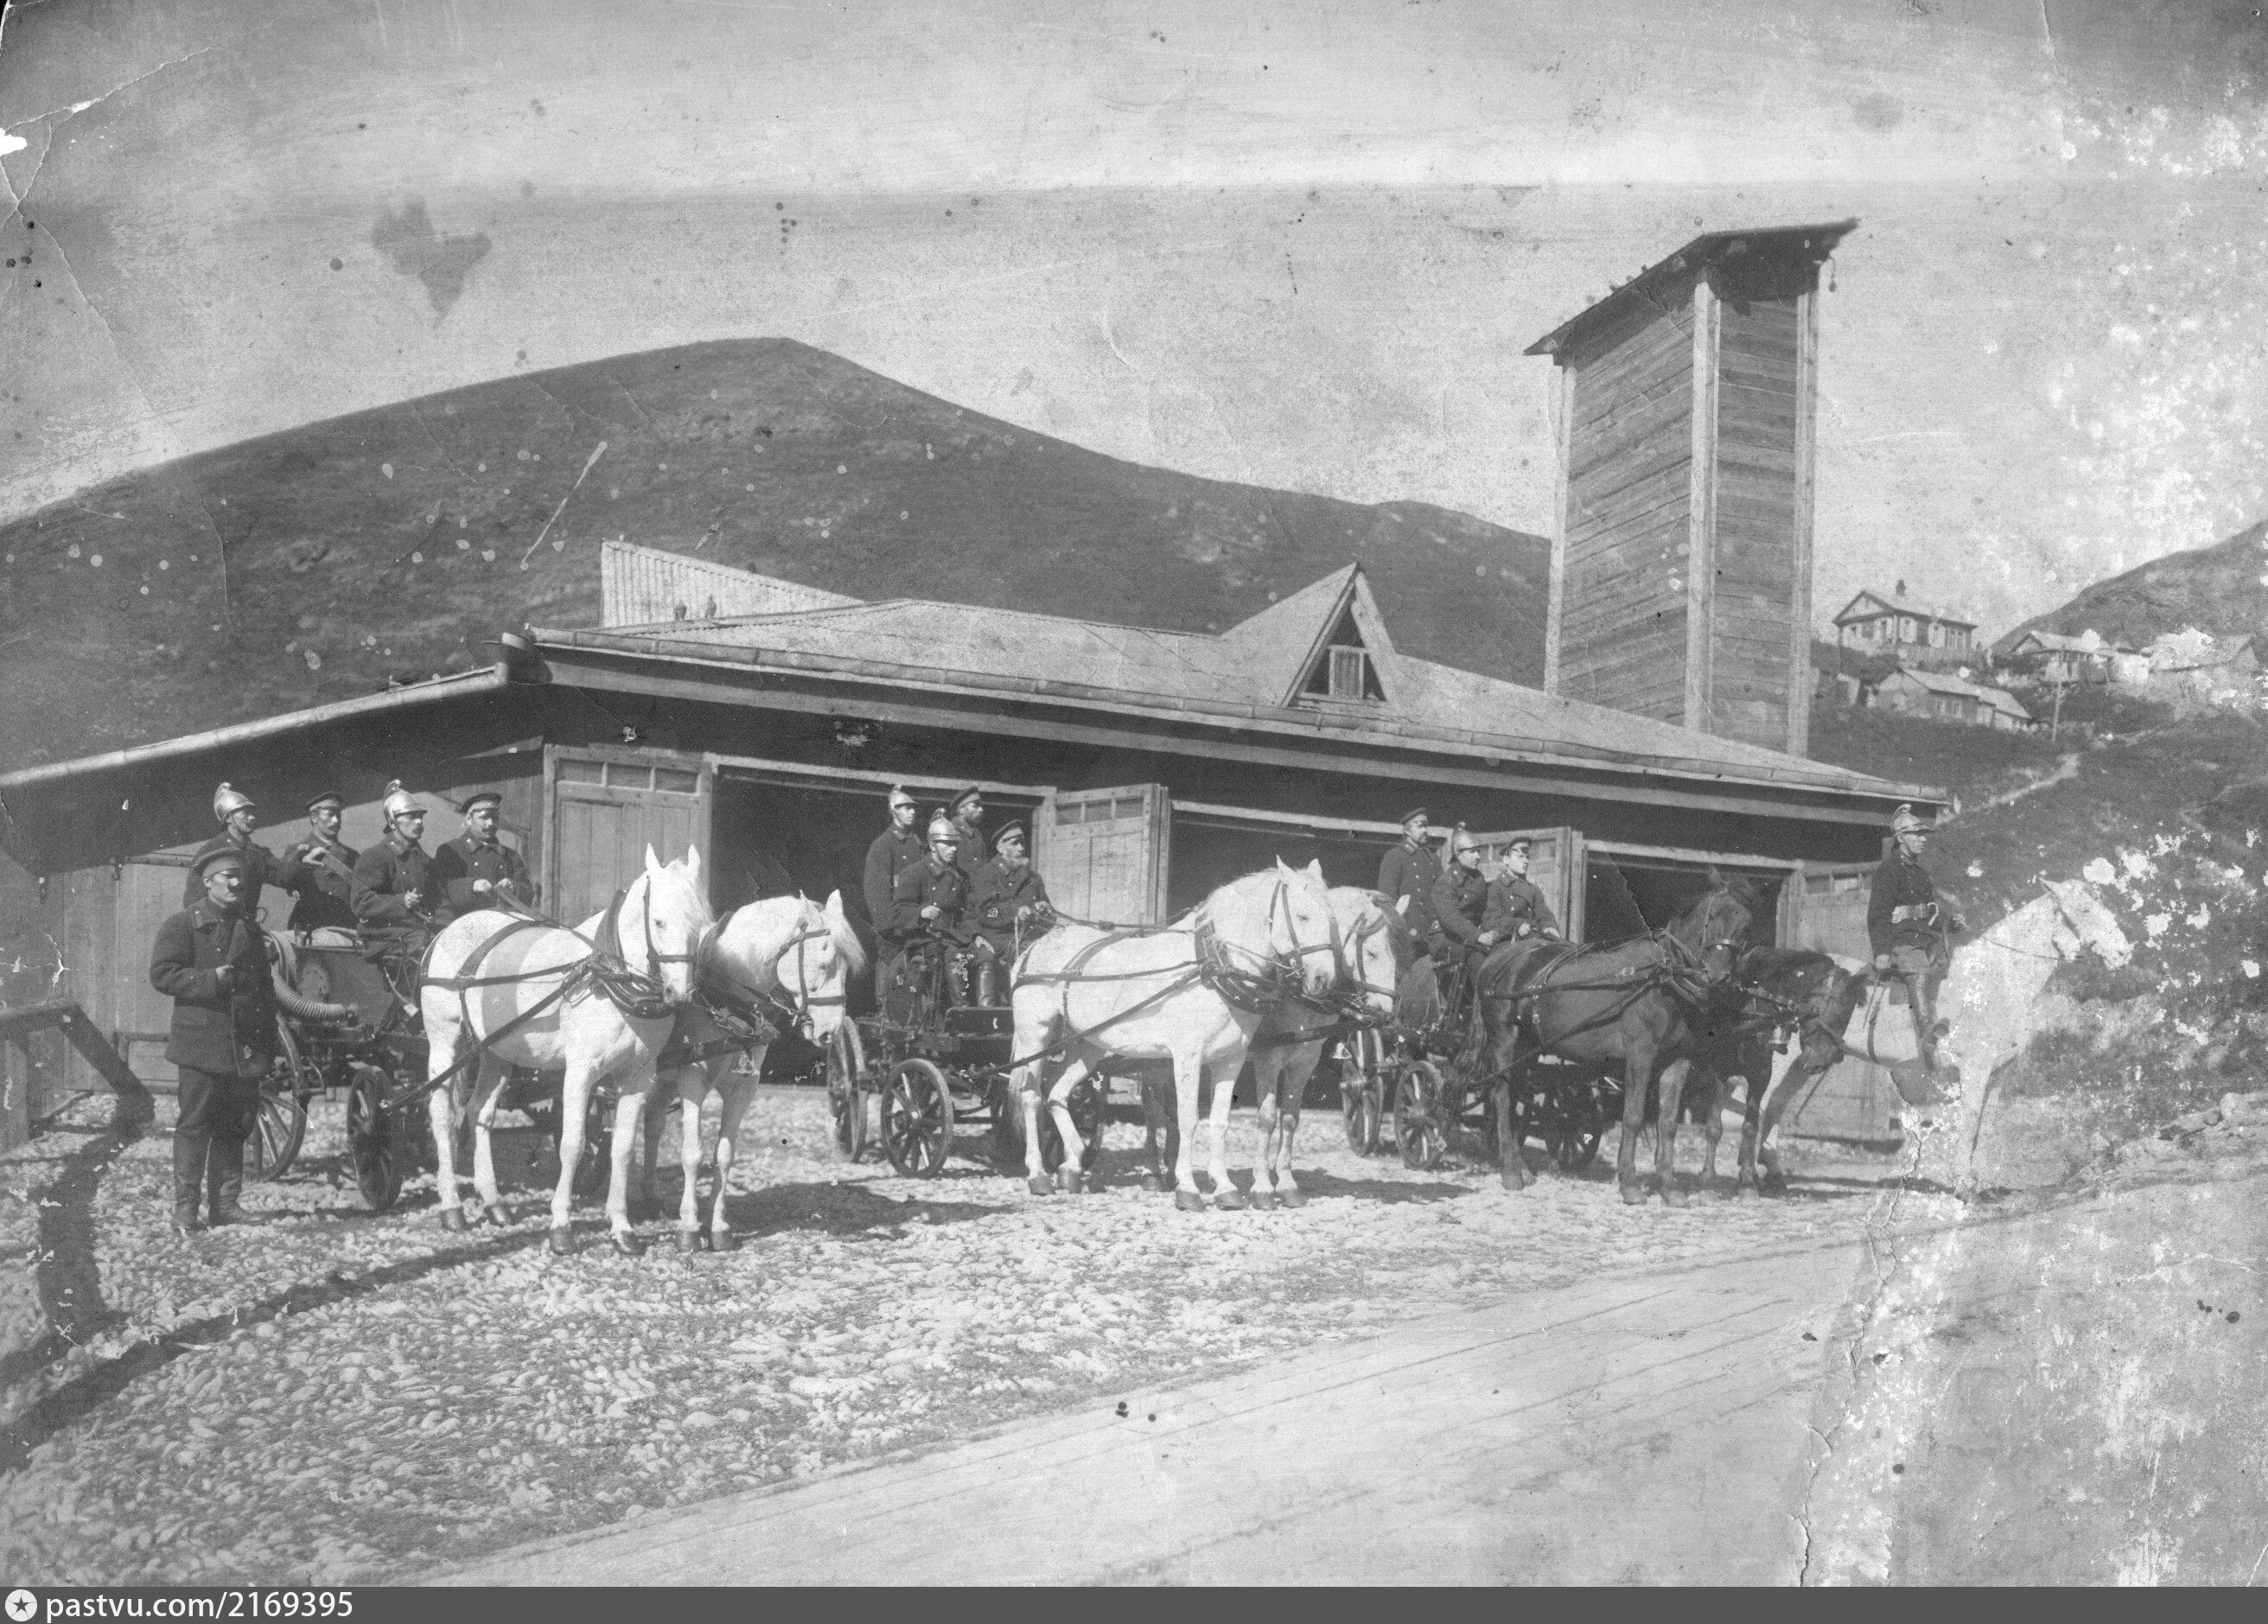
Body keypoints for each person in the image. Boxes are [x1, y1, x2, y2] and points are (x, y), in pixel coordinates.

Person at [150, 847, 279, 1234]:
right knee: (194, 1125)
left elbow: (265, 989)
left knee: (236, 1125)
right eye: (228, 877)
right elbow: (162, 974)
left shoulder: (249, 929)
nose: (237, 883)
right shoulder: (183, 924)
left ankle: (225, 1205)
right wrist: (210, 981)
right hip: (202, 1043)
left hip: (243, 1044)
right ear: (208, 882)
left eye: (240, 877)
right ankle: (186, 1209)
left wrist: (267, 1044)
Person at [1869, 803, 1965, 1070]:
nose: (1923, 839)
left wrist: (1950, 924)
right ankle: (1926, 1034)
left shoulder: (1921, 874)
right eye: (1917, 835)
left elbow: (1930, 914)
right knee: (1919, 975)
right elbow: (1877, 915)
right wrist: (1881, 951)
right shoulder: (1889, 871)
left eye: (1924, 835)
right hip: (1902, 943)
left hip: (1926, 940)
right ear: (1901, 838)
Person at [888, 814, 977, 1008]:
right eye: (947, 844)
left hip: (957, 937)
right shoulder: (914, 873)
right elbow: (897, 913)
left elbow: (971, 911)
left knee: (985, 956)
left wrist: (976, 935)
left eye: (955, 844)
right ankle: (962, 1011)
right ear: (932, 845)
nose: (953, 849)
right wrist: (921, 912)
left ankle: (987, 1011)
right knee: (954, 956)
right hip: (925, 939)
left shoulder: (961, 877)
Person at [181, 782, 305, 908]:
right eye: (245, 813)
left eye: (252, 813)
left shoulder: (256, 853)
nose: (252, 817)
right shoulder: (211, 850)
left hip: (247, 920)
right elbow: (193, 900)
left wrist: (301, 858)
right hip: (218, 920)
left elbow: (281, 876)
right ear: (228, 818)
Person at [969, 821, 1052, 1004]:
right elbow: (986, 912)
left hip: (1030, 936)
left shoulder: (1034, 878)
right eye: (1014, 843)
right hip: (998, 937)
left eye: (1022, 842)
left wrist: (1044, 911)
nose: (1021, 848)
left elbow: (1049, 917)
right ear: (1001, 848)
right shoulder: (987, 874)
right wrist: (1015, 911)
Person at [1430, 826, 1504, 1028]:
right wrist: (1478, 936)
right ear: (1458, 853)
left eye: (1478, 851)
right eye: (1472, 852)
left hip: (1468, 937)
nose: (1478, 856)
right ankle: (1482, 1015)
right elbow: (1450, 917)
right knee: (1477, 959)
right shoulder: (1446, 881)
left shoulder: (1478, 879)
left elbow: (1485, 911)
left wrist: (1495, 930)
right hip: (1444, 938)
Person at [352, 780, 439, 940]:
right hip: (383, 937)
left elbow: (440, 900)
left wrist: (447, 929)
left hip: (417, 932)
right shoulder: (375, 856)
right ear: (392, 823)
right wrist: (402, 901)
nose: (419, 821)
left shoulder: (424, 860)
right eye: (411, 816)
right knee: (425, 943)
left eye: (420, 816)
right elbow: (362, 902)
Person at [431, 790, 533, 920]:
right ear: (469, 819)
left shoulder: (510, 855)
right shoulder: (451, 851)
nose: (490, 823)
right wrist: (471, 886)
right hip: (465, 922)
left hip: (504, 921)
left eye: (495, 818)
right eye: (484, 818)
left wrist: (513, 886)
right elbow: (440, 890)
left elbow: (528, 891)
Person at [280, 789, 360, 937]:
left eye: (338, 815)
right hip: (308, 927)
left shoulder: (352, 856)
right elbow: (291, 892)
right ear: (314, 817)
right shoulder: (297, 851)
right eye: (330, 814)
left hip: (343, 928)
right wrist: (301, 899)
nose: (336, 821)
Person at [1375, 806, 1443, 951]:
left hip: (1433, 933)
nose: (1425, 830)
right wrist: (1397, 928)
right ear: (1407, 831)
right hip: (1407, 933)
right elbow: (1386, 899)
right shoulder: (1395, 856)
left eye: (1426, 826)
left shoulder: (1433, 859)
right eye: (1420, 826)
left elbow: (1442, 895)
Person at [1481, 833, 1563, 948]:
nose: (1526, 861)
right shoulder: (1497, 887)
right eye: (1520, 857)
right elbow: (1490, 920)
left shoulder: (1533, 889)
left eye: (1527, 857)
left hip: (1532, 938)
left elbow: (1543, 913)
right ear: (1506, 860)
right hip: (1506, 942)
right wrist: (1517, 925)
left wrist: (1549, 926)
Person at [862, 785, 927, 929]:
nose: (913, 812)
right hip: (896, 928)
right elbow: (876, 893)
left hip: (919, 923)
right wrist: (887, 928)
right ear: (894, 811)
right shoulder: (883, 844)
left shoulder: (917, 844)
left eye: (913, 808)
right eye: (907, 808)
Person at [945, 786, 987, 881]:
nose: (981, 809)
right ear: (961, 810)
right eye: (975, 806)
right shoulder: (948, 831)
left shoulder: (977, 835)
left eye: (981, 806)